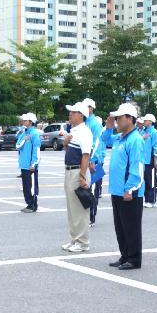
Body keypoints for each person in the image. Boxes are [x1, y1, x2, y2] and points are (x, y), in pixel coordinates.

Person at [101, 103, 146, 269]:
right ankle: (125, 255)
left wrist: (130, 188)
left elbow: (137, 166)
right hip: (117, 189)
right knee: (120, 226)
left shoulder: (135, 139)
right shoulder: (120, 137)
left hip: (129, 191)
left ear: (129, 118)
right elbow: (105, 139)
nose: (117, 121)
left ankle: (134, 259)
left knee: (131, 226)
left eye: (119, 118)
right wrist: (108, 127)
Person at [59, 102, 94, 253]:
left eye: (73, 112)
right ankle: (75, 239)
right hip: (70, 171)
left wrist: (82, 176)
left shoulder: (85, 132)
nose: (70, 114)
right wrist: (65, 143)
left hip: (78, 171)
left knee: (79, 209)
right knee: (72, 208)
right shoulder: (74, 131)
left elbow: (86, 155)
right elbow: (70, 150)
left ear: (81, 115)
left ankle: (82, 242)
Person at [81, 99, 104, 226]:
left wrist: (93, 160)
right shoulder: (84, 122)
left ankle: (91, 218)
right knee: (84, 189)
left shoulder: (95, 124)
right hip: (84, 161)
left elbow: (97, 144)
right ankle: (85, 216)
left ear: (91, 108)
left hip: (94, 162)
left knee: (92, 191)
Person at [16, 112, 41, 212]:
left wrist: (33, 163)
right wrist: (24, 140)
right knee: (26, 186)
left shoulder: (34, 133)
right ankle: (28, 204)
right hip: (24, 164)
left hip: (31, 166)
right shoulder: (24, 132)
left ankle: (33, 205)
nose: (23, 121)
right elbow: (17, 146)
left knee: (31, 187)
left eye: (25, 120)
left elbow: (37, 150)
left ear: (30, 122)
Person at [141, 114, 157, 207]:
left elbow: (156, 146)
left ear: (150, 121)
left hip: (150, 160)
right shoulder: (143, 131)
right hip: (143, 160)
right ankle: (146, 199)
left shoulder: (154, 132)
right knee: (144, 180)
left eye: (145, 120)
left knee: (151, 180)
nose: (144, 122)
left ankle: (152, 200)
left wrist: (155, 159)